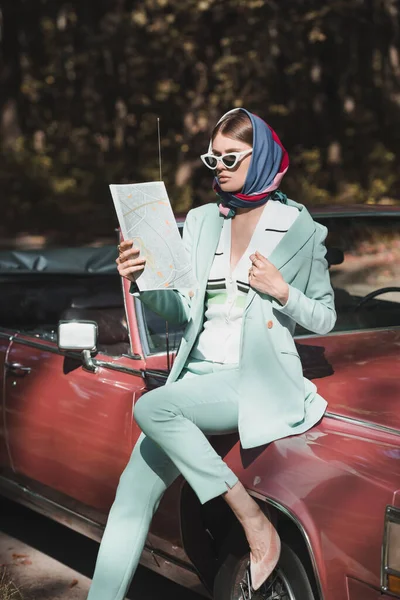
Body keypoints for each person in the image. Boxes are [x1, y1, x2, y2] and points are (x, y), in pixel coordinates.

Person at [86, 108, 336, 600]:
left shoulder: (300, 227)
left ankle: (252, 521)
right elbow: (180, 311)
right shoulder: (201, 221)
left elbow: (326, 317)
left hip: (254, 378)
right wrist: (141, 279)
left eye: (229, 157)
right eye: (211, 157)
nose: (217, 166)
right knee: (130, 496)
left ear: (260, 156)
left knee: (153, 406)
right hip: (196, 377)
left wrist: (283, 292)